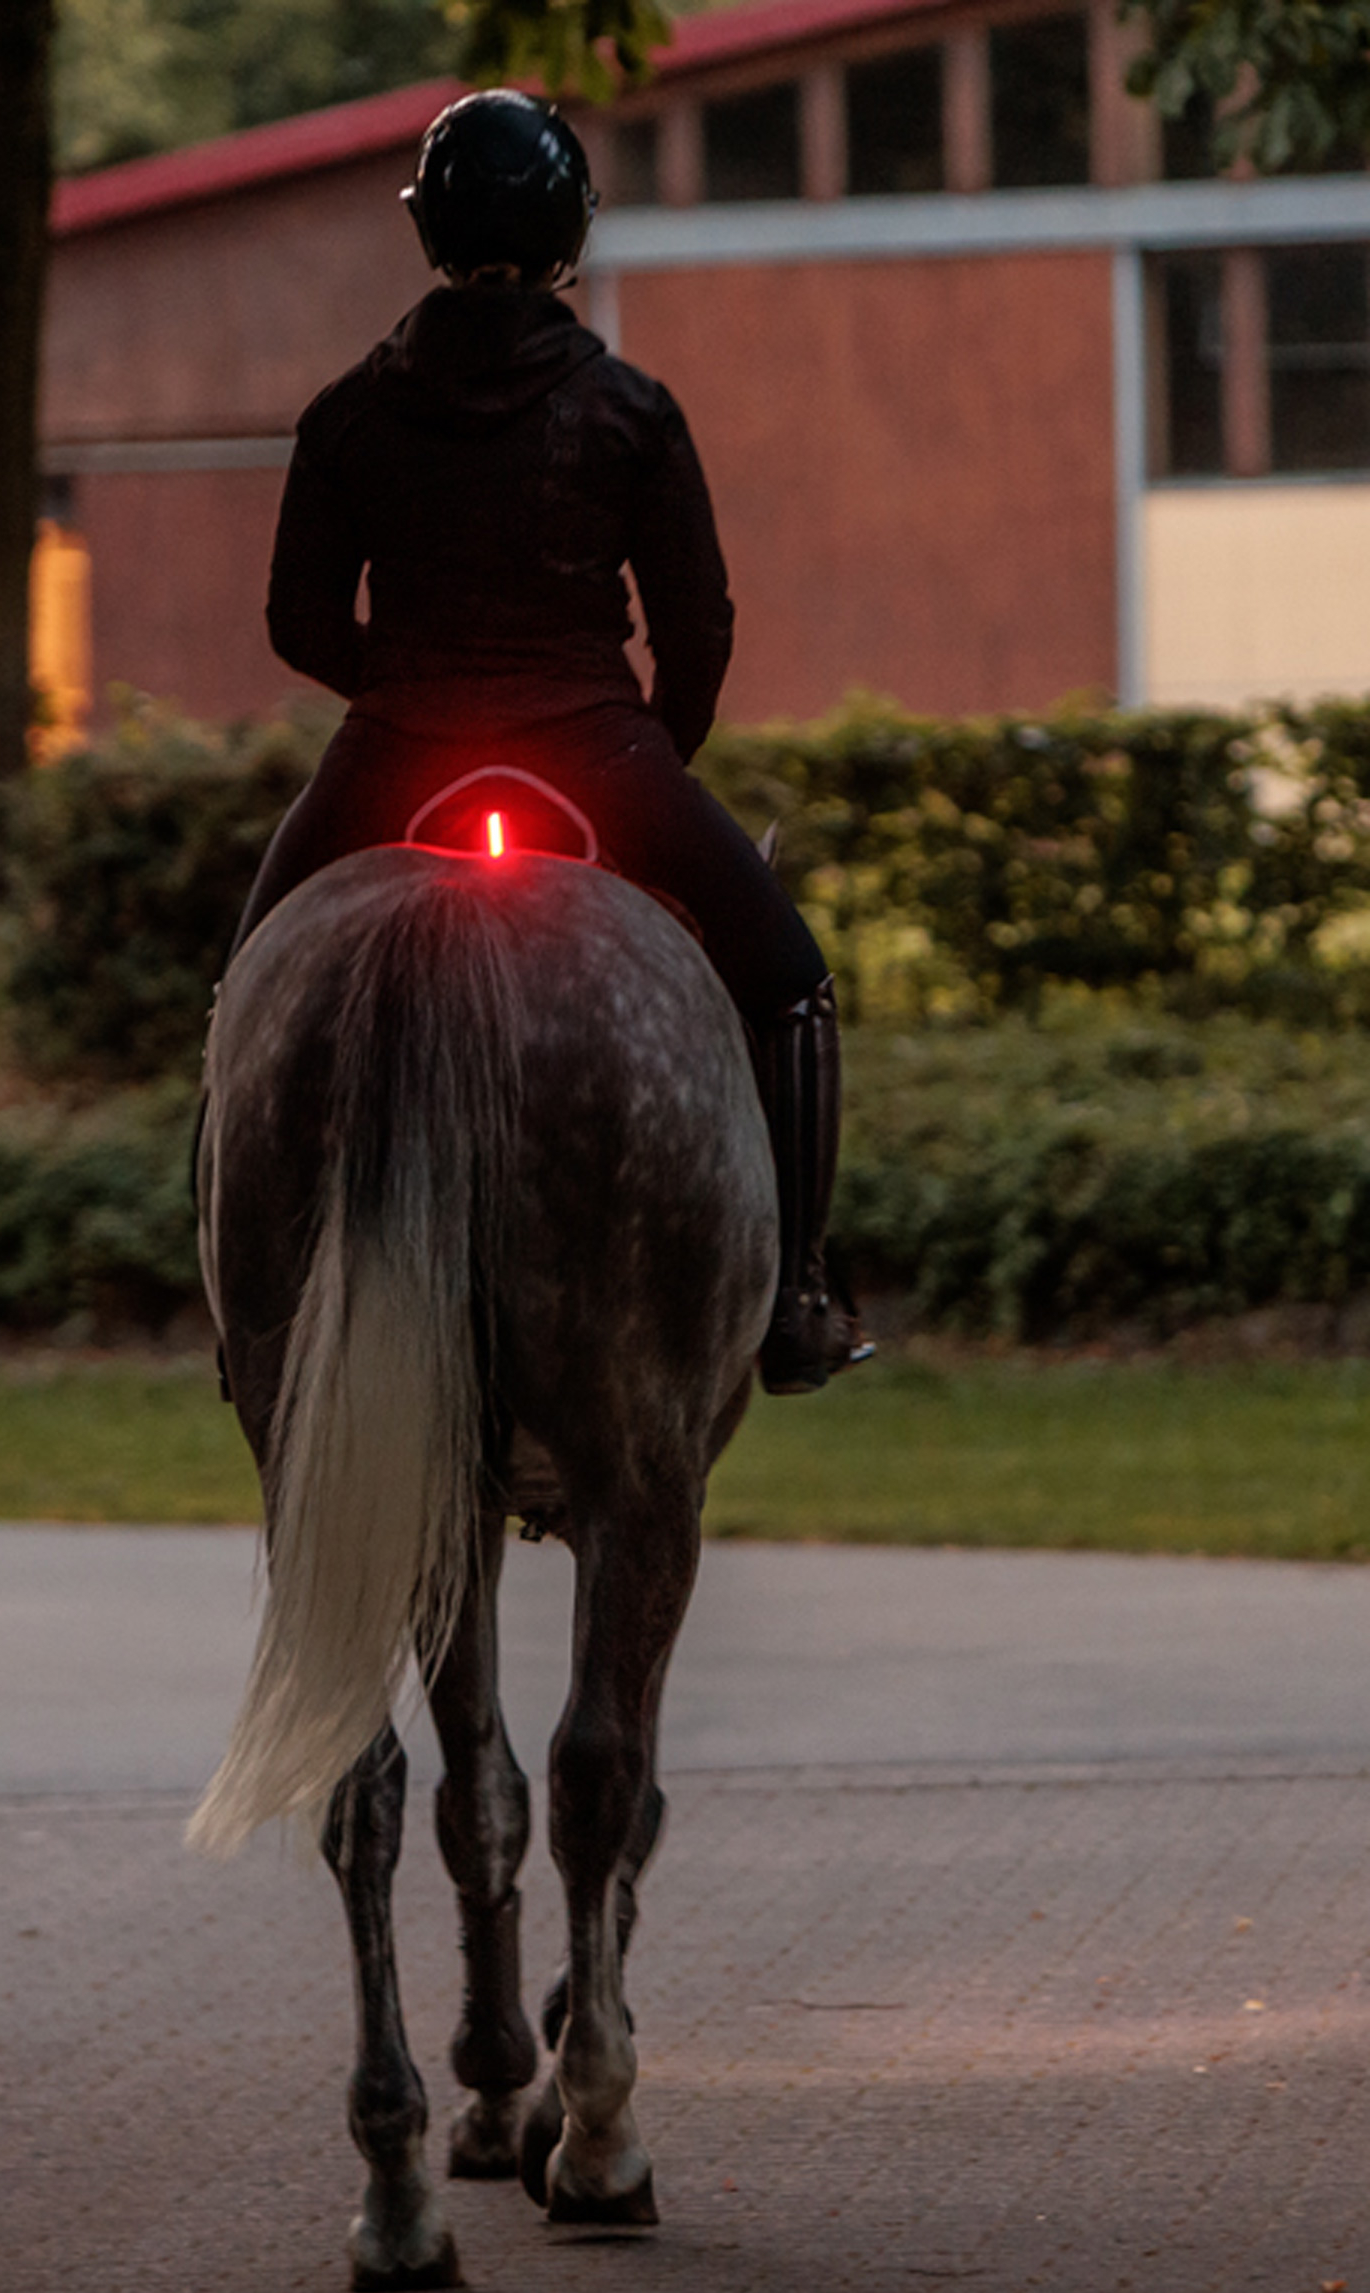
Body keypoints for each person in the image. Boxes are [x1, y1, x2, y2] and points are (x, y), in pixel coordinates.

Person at [231, 86, 858, 1394]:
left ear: (429, 231)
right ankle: (798, 1294)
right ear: (572, 230)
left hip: (394, 753)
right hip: (596, 752)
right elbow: (698, 630)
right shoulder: (633, 411)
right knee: (792, 983)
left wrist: (400, 687)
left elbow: (297, 622)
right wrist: (650, 753)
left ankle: (250, 1319)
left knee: (247, 992)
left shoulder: (347, 416)